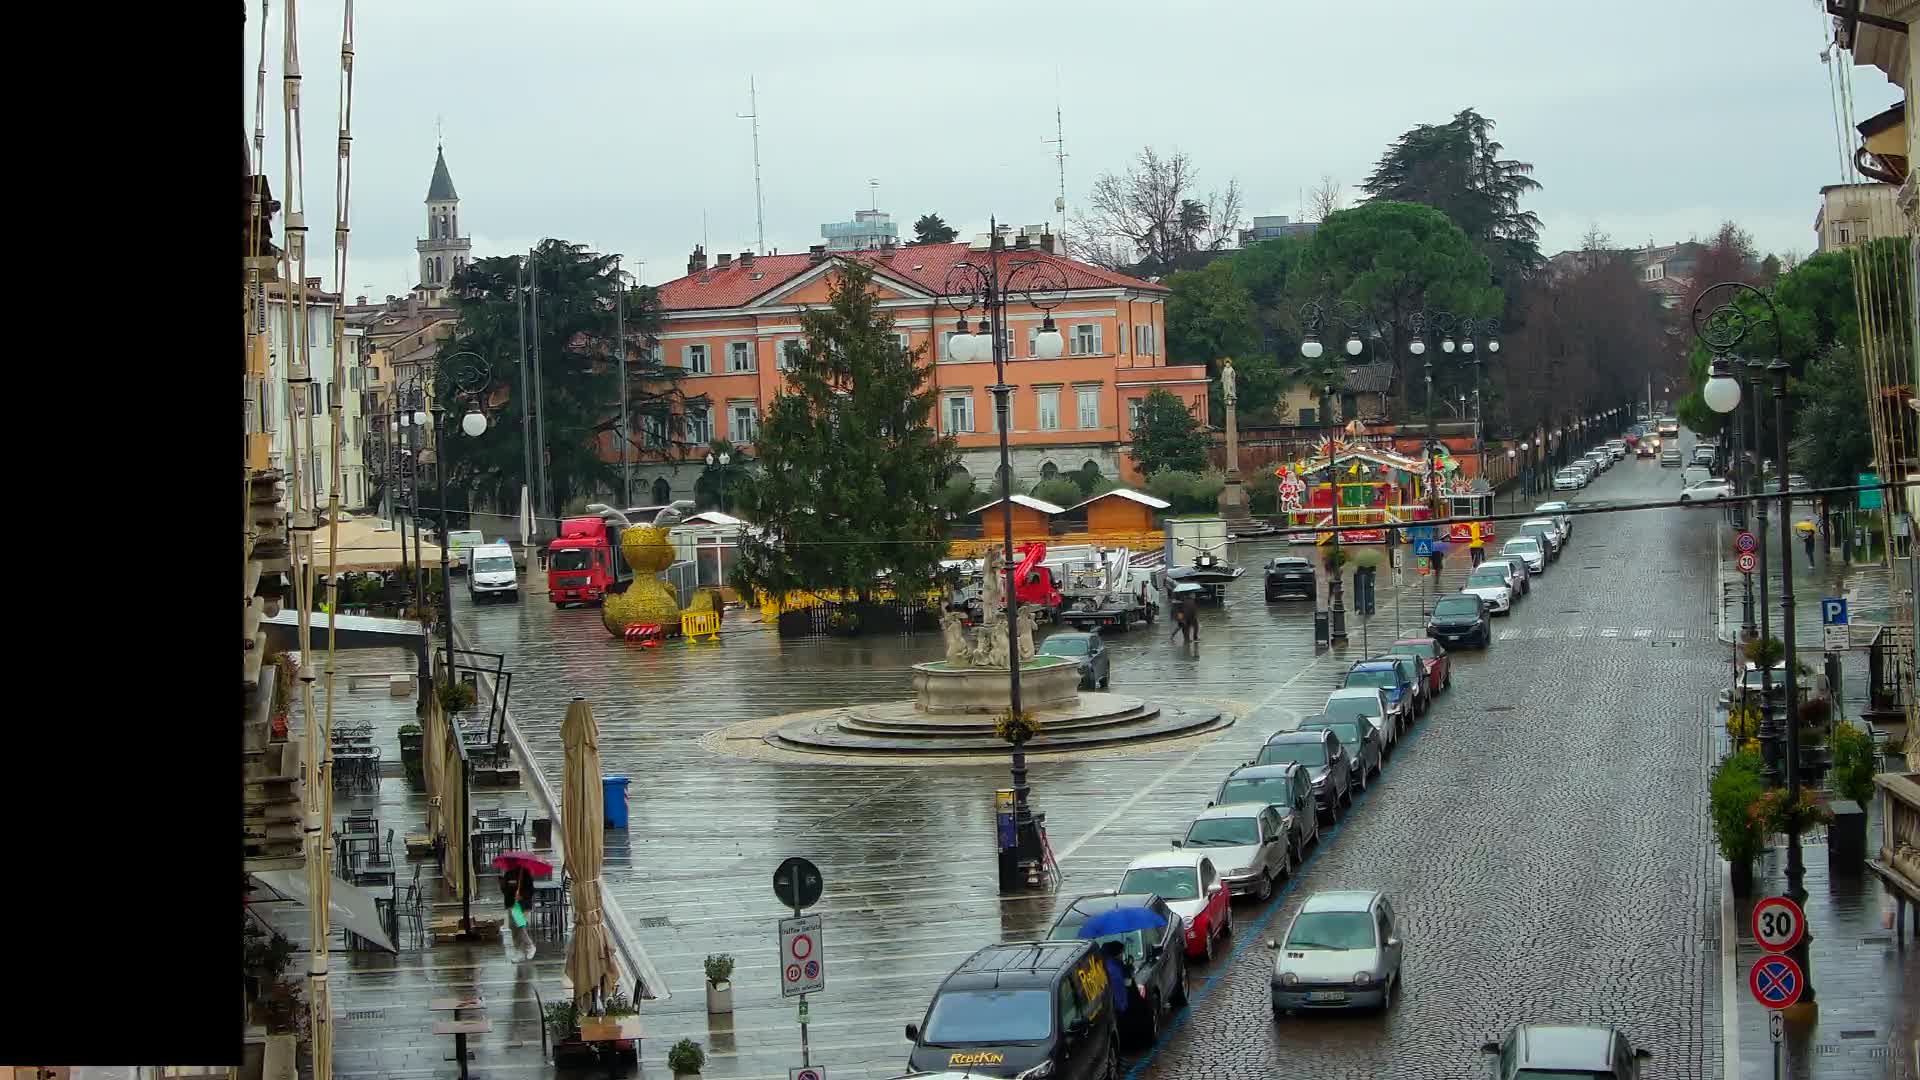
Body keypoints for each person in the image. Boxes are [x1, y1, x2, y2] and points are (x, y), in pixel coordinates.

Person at [500, 863, 537, 962]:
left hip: (522, 904)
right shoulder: (508, 873)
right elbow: (504, 888)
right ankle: (520, 950)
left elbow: (531, 889)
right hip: (511, 904)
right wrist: (508, 888)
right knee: (513, 927)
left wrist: (522, 895)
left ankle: (529, 946)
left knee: (518, 925)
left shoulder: (525, 872)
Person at [1100, 939, 1131, 1018]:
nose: (1122, 955)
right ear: (1116, 954)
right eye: (1121, 952)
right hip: (1118, 1009)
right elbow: (1120, 990)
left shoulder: (1114, 966)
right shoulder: (1113, 970)